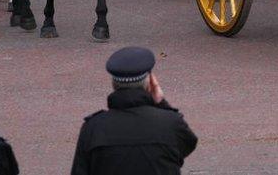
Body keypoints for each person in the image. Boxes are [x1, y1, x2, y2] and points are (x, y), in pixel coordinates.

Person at [70, 47, 197, 175]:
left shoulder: (93, 127)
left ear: (114, 84)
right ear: (150, 82)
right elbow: (188, 144)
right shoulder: (170, 124)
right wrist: (161, 103)